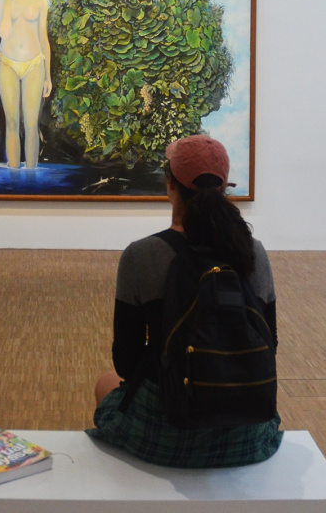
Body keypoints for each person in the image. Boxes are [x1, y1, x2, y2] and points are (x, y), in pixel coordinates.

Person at [88, 134, 283, 467]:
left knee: (106, 382)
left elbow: (126, 362)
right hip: (245, 433)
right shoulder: (254, 253)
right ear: (224, 187)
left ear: (170, 185)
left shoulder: (142, 255)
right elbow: (270, 344)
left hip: (164, 431)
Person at [0, 0, 52, 169]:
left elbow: (43, 37)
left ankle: (32, 176)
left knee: (32, 124)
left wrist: (48, 76)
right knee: (11, 123)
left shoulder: (40, 0)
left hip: (34, 63)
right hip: (7, 63)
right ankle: (14, 175)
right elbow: (4, 32)